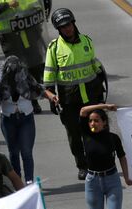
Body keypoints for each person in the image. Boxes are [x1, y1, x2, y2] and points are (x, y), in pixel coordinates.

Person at [0, 55, 58, 182]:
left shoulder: (25, 79)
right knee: (13, 152)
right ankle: (17, 181)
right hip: (8, 121)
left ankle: (29, 181)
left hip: (26, 119)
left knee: (26, 152)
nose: (14, 74)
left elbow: (39, 89)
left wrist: (52, 97)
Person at [44, 8, 105, 180]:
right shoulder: (54, 48)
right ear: (59, 29)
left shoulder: (86, 41)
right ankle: (82, 165)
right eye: (63, 27)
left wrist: (100, 90)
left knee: (94, 130)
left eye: (69, 25)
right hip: (69, 101)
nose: (67, 29)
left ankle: (95, 162)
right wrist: (51, 97)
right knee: (74, 135)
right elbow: (49, 75)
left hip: (90, 97)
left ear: (74, 23)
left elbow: (95, 66)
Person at [79, 103, 132, 209]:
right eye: (91, 121)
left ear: (104, 122)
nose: (93, 124)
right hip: (93, 181)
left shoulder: (113, 138)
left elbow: (122, 157)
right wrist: (106, 106)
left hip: (112, 180)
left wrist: (126, 176)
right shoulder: (86, 134)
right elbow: (82, 111)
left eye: (96, 121)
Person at [0, 0, 47, 113]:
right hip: (10, 35)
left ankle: (35, 95)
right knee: (17, 69)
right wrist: (6, 6)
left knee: (36, 65)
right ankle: (28, 99)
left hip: (30, 28)